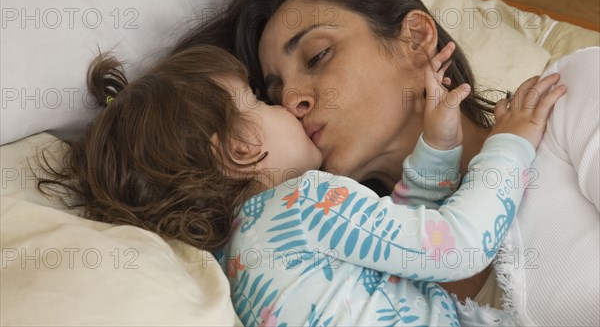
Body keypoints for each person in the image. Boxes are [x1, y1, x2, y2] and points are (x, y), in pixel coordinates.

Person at [170, 0, 599, 326]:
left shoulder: (570, 95)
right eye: (274, 94)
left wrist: (506, 145)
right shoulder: (353, 264)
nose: (292, 102)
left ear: (416, 37)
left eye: (317, 56)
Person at [38, 42, 564, 326]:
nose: (286, 104)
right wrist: (510, 142)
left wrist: (436, 145)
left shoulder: (233, 263)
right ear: (241, 149)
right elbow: (456, 248)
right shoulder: (304, 201)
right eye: (260, 100)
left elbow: (400, 259)